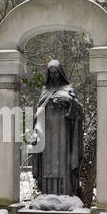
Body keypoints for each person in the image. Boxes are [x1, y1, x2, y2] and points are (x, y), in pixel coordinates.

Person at [31, 59, 84, 196]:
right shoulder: (45, 90)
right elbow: (38, 111)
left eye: (56, 73)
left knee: (63, 162)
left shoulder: (68, 89)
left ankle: (65, 191)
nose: (54, 76)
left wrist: (69, 101)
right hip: (47, 131)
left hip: (63, 131)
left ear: (61, 73)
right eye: (52, 73)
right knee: (48, 162)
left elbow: (79, 111)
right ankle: (47, 193)